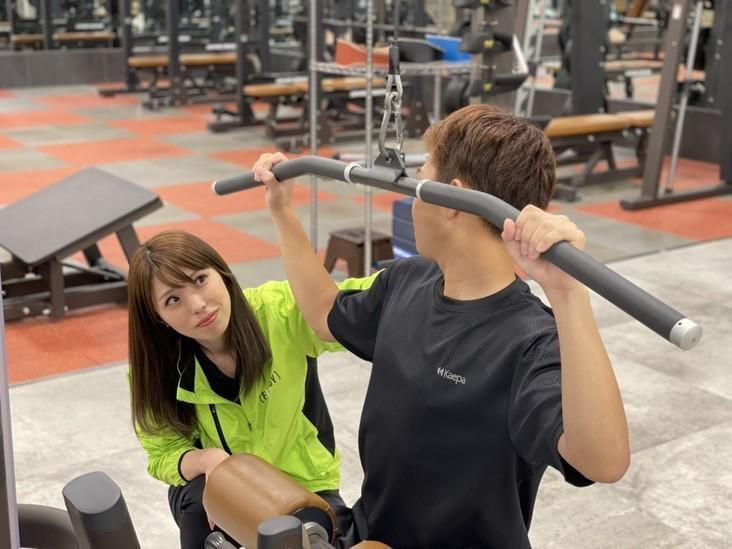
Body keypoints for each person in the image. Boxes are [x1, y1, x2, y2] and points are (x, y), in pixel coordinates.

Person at [253, 104, 631, 548]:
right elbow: (323, 314)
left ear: (450, 200)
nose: (412, 201)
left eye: (419, 185)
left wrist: (567, 294)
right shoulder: (407, 280)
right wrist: (281, 209)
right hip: (372, 537)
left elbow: (603, 462)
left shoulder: (530, 341)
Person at [127, 230, 376, 549]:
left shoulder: (277, 312)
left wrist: (423, 280)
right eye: (172, 300)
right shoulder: (155, 368)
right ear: (158, 317)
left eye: (200, 280)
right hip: (221, 490)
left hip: (302, 484)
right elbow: (162, 453)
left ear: (221, 272)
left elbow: (355, 302)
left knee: (308, 538)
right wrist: (208, 461)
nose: (198, 305)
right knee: (198, 502)